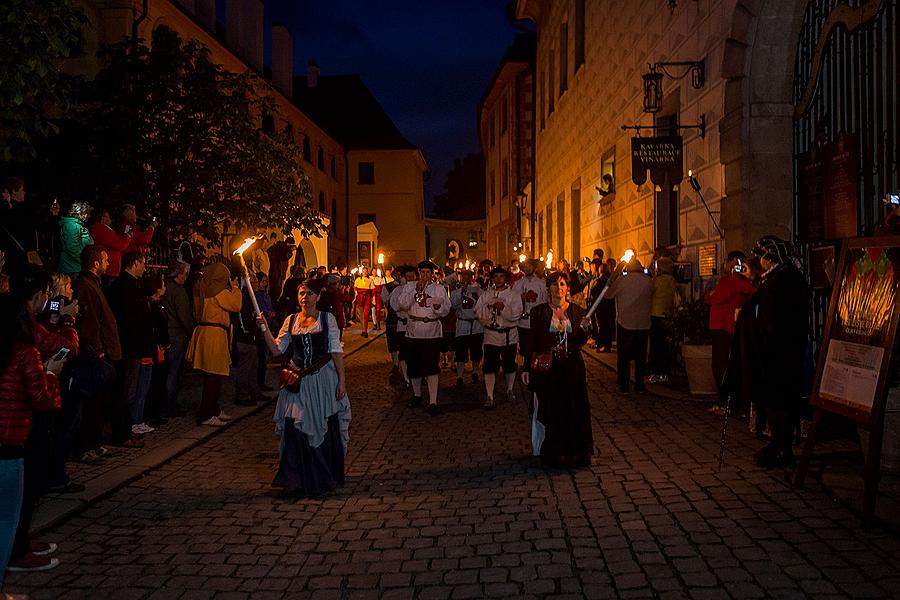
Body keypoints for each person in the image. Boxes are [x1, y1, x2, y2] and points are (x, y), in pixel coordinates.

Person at [258, 277, 351, 498]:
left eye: (309, 293)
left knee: (323, 426)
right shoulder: (291, 321)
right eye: (301, 293)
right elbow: (277, 350)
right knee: (294, 427)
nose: (305, 297)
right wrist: (263, 329)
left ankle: (320, 477)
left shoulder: (327, 320)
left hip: (322, 381)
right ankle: (295, 480)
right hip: (298, 381)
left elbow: (335, 351)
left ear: (318, 296)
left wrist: (342, 380)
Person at [0, 294, 66, 578]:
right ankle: (11, 559)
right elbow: (41, 399)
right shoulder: (26, 353)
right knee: (7, 517)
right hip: (13, 440)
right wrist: (51, 375)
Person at [745, 236, 810, 468]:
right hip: (790, 349)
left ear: (770, 258)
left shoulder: (777, 282)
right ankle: (782, 445)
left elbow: (770, 319)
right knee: (786, 398)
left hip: (775, 351)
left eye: (762, 256)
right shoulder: (793, 277)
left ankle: (781, 446)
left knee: (775, 399)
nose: (759, 261)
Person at [522, 271, 593, 467]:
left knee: (574, 408)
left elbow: (579, 341)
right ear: (548, 289)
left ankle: (576, 451)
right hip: (551, 368)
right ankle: (555, 450)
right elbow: (533, 341)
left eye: (562, 284)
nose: (558, 288)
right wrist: (527, 367)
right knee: (554, 408)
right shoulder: (539, 312)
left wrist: (586, 329)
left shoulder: (577, 311)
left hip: (572, 367)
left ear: (567, 289)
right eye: (554, 284)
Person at [72, 246, 123, 453]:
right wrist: (98, 349)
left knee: (101, 402)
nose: (108, 263)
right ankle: (88, 444)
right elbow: (90, 321)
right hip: (95, 354)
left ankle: (96, 441)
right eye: (105, 260)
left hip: (102, 351)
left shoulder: (94, 284)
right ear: (95, 263)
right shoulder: (85, 285)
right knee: (93, 404)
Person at [106, 252, 156, 438]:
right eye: (143, 264)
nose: (145, 268)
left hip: (131, 346)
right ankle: (123, 429)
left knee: (129, 388)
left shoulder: (131, 286)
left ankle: (125, 427)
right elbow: (131, 319)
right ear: (135, 263)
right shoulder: (125, 287)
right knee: (128, 389)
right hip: (129, 347)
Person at [186, 262, 242, 426]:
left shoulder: (203, 288)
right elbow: (235, 305)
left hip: (208, 333)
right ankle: (206, 413)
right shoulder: (217, 291)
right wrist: (236, 289)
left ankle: (214, 409)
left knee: (214, 375)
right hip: (213, 335)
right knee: (212, 376)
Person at [397, 261, 450, 414]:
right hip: (414, 332)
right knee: (414, 365)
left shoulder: (439, 288)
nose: (425, 275)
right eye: (422, 272)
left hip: (431, 332)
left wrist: (438, 308)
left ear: (432, 274)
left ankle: (433, 401)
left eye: (428, 272)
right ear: (419, 273)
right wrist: (415, 292)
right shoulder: (409, 286)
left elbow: (446, 308)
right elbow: (402, 304)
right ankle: (417, 394)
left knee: (431, 366)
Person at [706, 251, 755, 395]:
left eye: (728, 261)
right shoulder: (735, 280)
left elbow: (713, 298)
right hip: (726, 325)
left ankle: (725, 397)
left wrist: (709, 295)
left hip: (723, 326)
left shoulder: (732, 280)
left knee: (721, 364)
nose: (725, 265)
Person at [475, 266, 523, 409]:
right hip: (491, 335)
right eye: (495, 277)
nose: (498, 279)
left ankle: (509, 389)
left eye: (501, 276)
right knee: (489, 366)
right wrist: (489, 311)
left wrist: (503, 308)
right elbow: (478, 311)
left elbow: (516, 315)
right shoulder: (486, 294)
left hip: (509, 334)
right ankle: (489, 395)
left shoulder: (514, 295)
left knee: (509, 364)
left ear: (506, 278)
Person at [606, 255, 652, 394]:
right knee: (640, 357)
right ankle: (639, 384)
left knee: (624, 357)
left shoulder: (623, 280)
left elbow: (608, 294)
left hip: (625, 322)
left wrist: (614, 277)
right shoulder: (648, 281)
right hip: (643, 323)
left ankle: (624, 385)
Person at [162, 261, 193, 417]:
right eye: (185, 274)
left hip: (166, 333)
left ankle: (166, 403)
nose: (186, 277)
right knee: (173, 372)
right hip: (177, 335)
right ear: (178, 274)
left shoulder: (164, 287)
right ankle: (169, 405)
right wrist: (191, 331)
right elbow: (184, 315)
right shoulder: (178, 291)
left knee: (168, 371)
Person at [232, 271, 264, 407]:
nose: (256, 283)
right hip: (245, 337)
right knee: (245, 369)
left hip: (252, 337)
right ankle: (242, 395)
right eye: (254, 281)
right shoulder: (243, 296)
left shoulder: (251, 297)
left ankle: (254, 392)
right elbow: (242, 318)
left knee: (252, 367)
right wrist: (251, 328)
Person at [647, 257, 680, 383]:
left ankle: (657, 372)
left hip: (655, 315)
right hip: (668, 316)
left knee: (656, 346)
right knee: (665, 346)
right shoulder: (672, 280)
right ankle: (665, 372)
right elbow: (676, 299)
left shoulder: (655, 281)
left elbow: (648, 295)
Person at [512, 258, 549, 367]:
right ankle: (525, 365)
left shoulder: (541, 283)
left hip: (536, 321)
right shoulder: (518, 284)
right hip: (522, 322)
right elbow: (513, 301)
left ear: (534, 268)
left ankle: (535, 364)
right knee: (524, 345)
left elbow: (544, 300)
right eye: (526, 266)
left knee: (536, 345)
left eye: (530, 266)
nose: (528, 268)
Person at [450, 268, 484, 388]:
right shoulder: (456, 291)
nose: (465, 278)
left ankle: (475, 372)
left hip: (476, 325)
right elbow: (453, 305)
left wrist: (476, 295)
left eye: (468, 275)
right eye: (463, 275)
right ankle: (459, 376)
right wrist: (461, 292)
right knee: (460, 352)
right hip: (463, 324)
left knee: (476, 351)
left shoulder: (478, 289)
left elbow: (483, 303)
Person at [389, 267, 417, 389]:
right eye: (408, 277)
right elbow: (396, 306)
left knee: (416, 353)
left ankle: (418, 376)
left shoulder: (420, 289)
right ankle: (406, 378)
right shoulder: (398, 291)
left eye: (413, 276)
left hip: (416, 326)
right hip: (403, 325)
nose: (410, 279)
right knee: (404, 354)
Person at [87, 208, 131, 282]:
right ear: (102, 218)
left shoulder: (96, 228)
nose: (109, 218)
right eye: (107, 216)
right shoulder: (101, 228)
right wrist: (128, 236)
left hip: (107, 266)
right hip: (110, 267)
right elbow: (120, 245)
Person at [57, 201, 93, 278]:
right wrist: (85, 262)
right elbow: (72, 248)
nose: (89, 216)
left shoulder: (77, 225)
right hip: (71, 269)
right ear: (80, 213)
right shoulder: (71, 225)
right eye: (88, 213)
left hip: (76, 267)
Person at [382, 267, 405, 383]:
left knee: (401, 344)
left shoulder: (407, 287)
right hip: (392, 319)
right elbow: (385, 301)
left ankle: (401, 366)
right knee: (393, 344)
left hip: (402, 320)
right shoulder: (387, 287)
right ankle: (396, 365)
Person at [254, 272, 276, 391]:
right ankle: (259, 383)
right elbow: (260, 309)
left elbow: (269, 306)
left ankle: (261, 382)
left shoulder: (266, 294)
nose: (265, 283)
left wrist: (271, 312)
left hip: (268, 326)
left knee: (265, 356)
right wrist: (268, 313)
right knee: (261, 357)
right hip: (261, 329)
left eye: (265, 281)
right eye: (263, 281)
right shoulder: (256, 295)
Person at [353, 266, 374, 337]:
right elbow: (355, 289)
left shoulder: (370, 280)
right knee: (361, 315)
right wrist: (355, 296)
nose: (364, 273)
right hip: (360, 297)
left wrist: (373, 300)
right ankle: (363, 329)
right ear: (361, 272)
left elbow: (372, 290)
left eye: (366, 271)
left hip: (367, 298)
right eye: (363, 271)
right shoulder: (358, 280)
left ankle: (365, 331)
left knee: (366, 314)